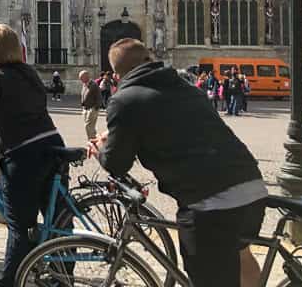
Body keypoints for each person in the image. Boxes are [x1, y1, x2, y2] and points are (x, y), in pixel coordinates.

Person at [89, 38, 266, 287]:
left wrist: (99, 148)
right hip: (251, 187)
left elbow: (117, 164)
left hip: (210, 203)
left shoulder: (124, 100)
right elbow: (176, 120)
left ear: (117, 74)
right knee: (241, 255)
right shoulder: (186, 87)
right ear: (149, 58)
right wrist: (121, 130)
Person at [0, 24, 65, 287]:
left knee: (19, 224)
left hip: (24, 153)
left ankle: (8, 282)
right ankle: (62, 275)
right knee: (58, 218)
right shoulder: (29, 72)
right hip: (52, 145)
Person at [78, 69, 101, 140]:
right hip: (85, 108)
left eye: (81, 78)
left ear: (86, 77)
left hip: (92, 108)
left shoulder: (94, 85)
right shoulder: (85, 84)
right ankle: (94, 140)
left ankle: (91, 140)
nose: (80, 80)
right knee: (90, 127)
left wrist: (95, 107)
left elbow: (99, 97)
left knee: (88, 126)